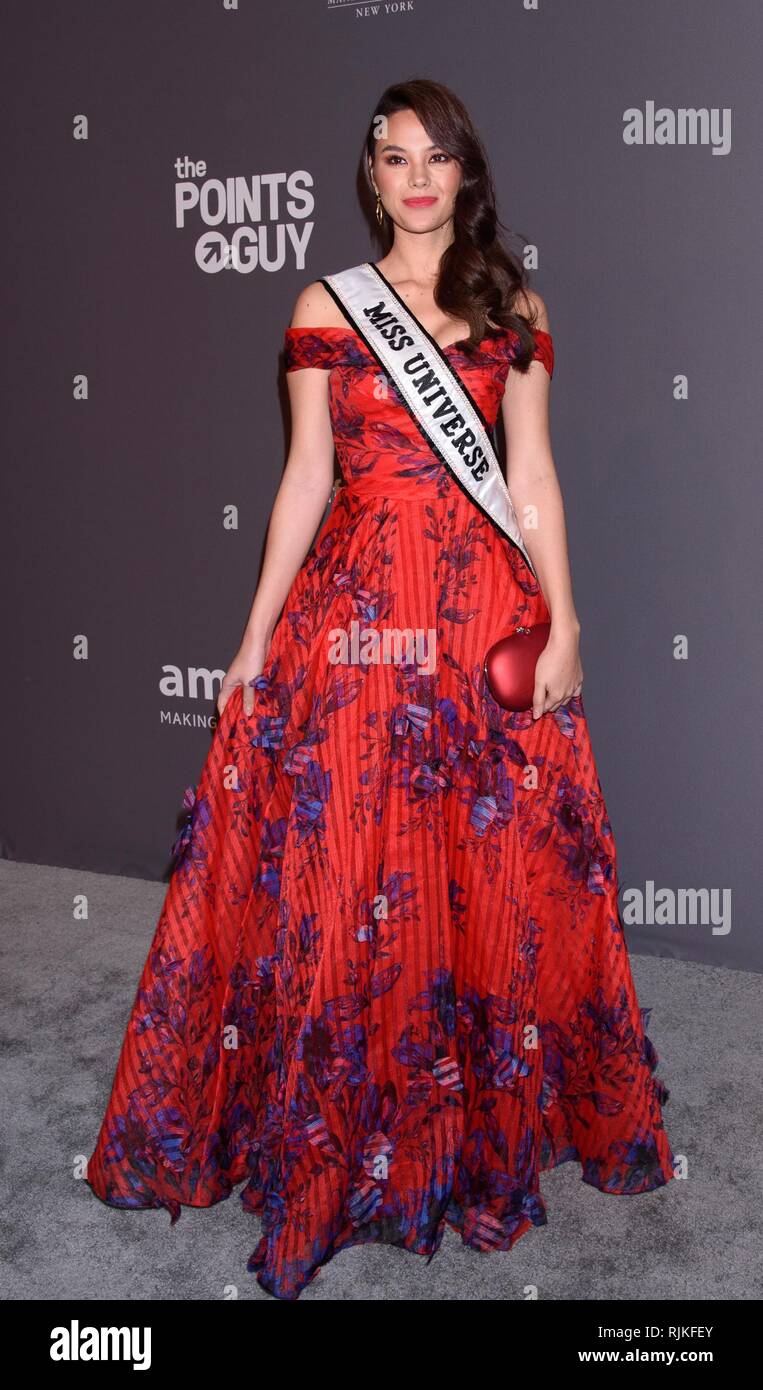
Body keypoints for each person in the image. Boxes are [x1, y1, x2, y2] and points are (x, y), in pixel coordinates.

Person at [86, 77, 675, 1301]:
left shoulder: (512, 305)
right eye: (395, 157)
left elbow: (533, 481)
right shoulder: (325, 305)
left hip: (478, 624)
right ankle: (342, 1139)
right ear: (371, 176)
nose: (417, 177)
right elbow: (303, 478)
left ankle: (469, 1134)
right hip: (353, 621)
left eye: (438, 156)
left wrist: (565, 621)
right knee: (348, 874)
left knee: (487, 871)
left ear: (466, 173)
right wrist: (253, 639)